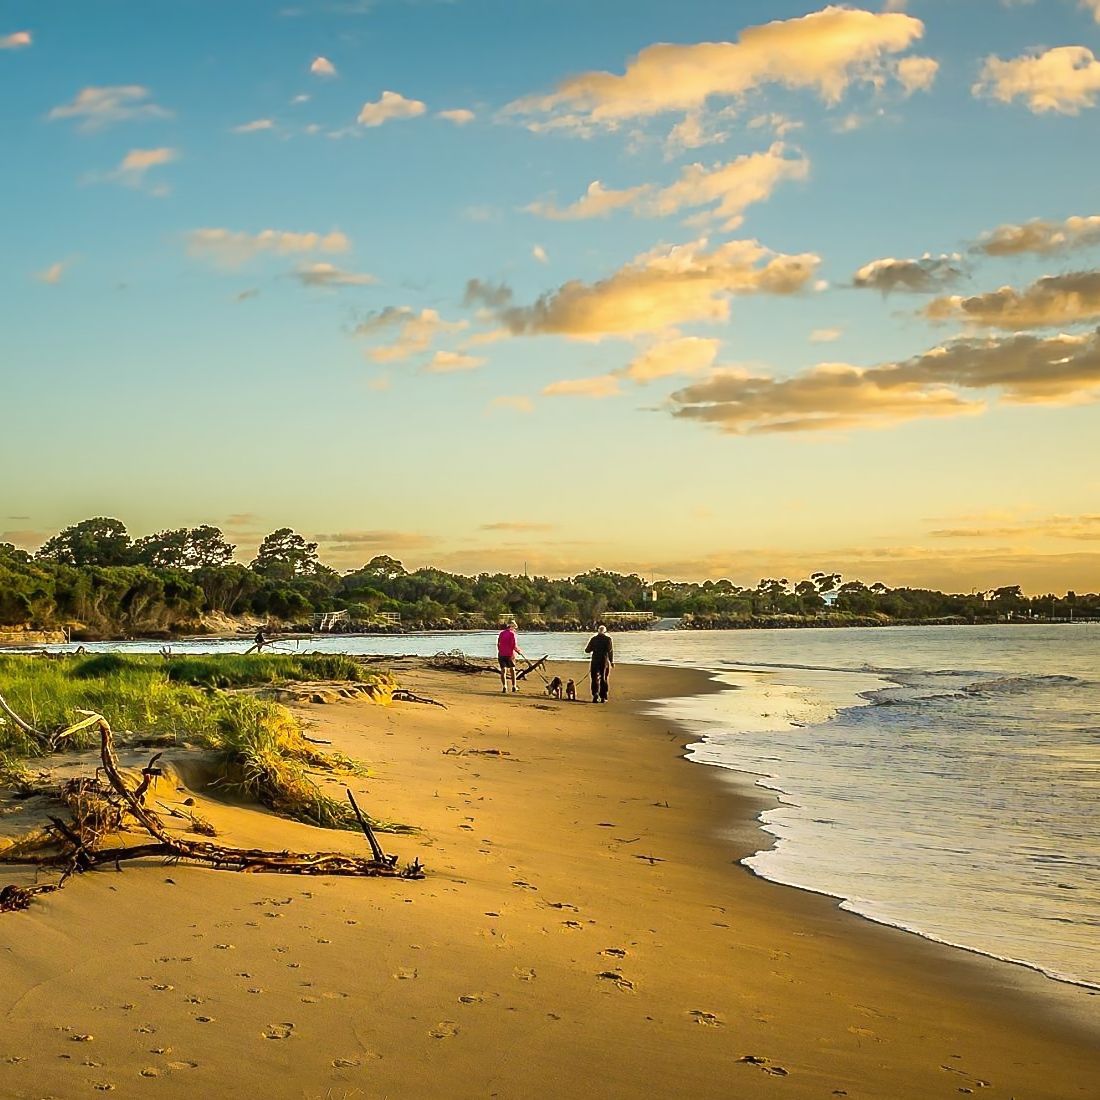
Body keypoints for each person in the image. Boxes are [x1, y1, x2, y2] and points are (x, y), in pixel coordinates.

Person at [585, 623, 614, 703]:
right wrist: (611, 661)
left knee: (594, 678)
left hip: (595, 661)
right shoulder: (608, 639)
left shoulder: (593, 639)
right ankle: (603, 697)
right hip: (604, 661)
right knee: (603, 679)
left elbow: (587, 650)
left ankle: (595, 694)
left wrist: (594, 648)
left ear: (598, 631)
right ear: (605, 632)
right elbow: (610, 651)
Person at [496, 620, 526, 694]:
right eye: (515, 627)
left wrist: (500, 651)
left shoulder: (501, 633)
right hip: (509, 655)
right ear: (512, 627)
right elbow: (514, 645)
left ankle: (504, 686)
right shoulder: (512, 634)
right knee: (512, 670)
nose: (515, 629)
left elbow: (498, 644)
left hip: (501, 654)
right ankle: (514, 686)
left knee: (503, 671)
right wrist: (518, 651)